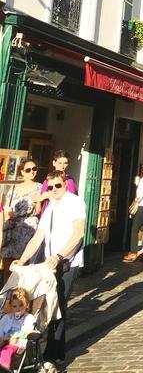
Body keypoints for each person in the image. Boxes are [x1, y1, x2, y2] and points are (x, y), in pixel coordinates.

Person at [14, 169, 86, 371]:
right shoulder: (50, 207)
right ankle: (51, 352)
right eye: (50, 187)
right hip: (48, 265)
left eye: (58, 185)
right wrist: (21, 260)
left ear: (65, 184)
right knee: (44, 306)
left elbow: (78, 233)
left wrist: (60, 256)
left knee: (58, 307)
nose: (54, 190)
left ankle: (52, 357)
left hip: (67, 263)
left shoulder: (75, 203)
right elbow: (38, 237)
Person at [1, 158, 41, 280]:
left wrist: (38, 200)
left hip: (27, 230)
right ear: (22, 172)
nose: (32, 172)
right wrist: (9, 214)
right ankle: (6, 295)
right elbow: (6, 206)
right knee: (8, 266)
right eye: (28, 170)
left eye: (34, 169)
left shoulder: (39, 187)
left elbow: (38, 211)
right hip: (12, 229)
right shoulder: (13, 188)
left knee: (23, 267)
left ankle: (20, 296)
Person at [0, 287, 35, 370]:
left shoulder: (29, 318)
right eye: (14, 306)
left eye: (21, 305)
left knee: (6, 351)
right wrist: (4, 339)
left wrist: (10, 340)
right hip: (4, 341)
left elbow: (26, 334)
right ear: (11, 307)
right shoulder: (6, 318)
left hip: (17, 344)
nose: (18, 309)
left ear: (27, 305)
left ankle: (3, 369)